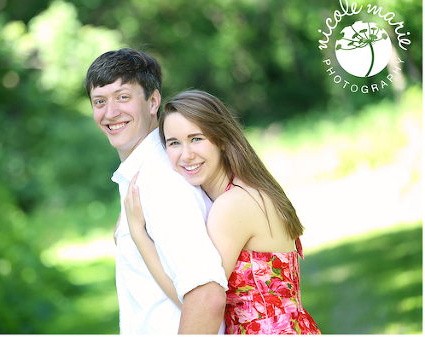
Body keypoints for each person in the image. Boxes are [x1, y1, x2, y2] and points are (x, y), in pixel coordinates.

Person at [124, 90, 322, 334]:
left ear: (222, 140)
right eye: (174, 143)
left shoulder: (232, 205)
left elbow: (200, 303)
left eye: (196, 139)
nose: (186, 155)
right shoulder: (247, 189)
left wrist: (138, 234)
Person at [85, 48, 228, 334]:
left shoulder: (160, 182)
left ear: (153, 101)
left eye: (123, 97)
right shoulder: (142, 176)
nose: (110, 112)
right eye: (99, 101)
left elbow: (206, 297)